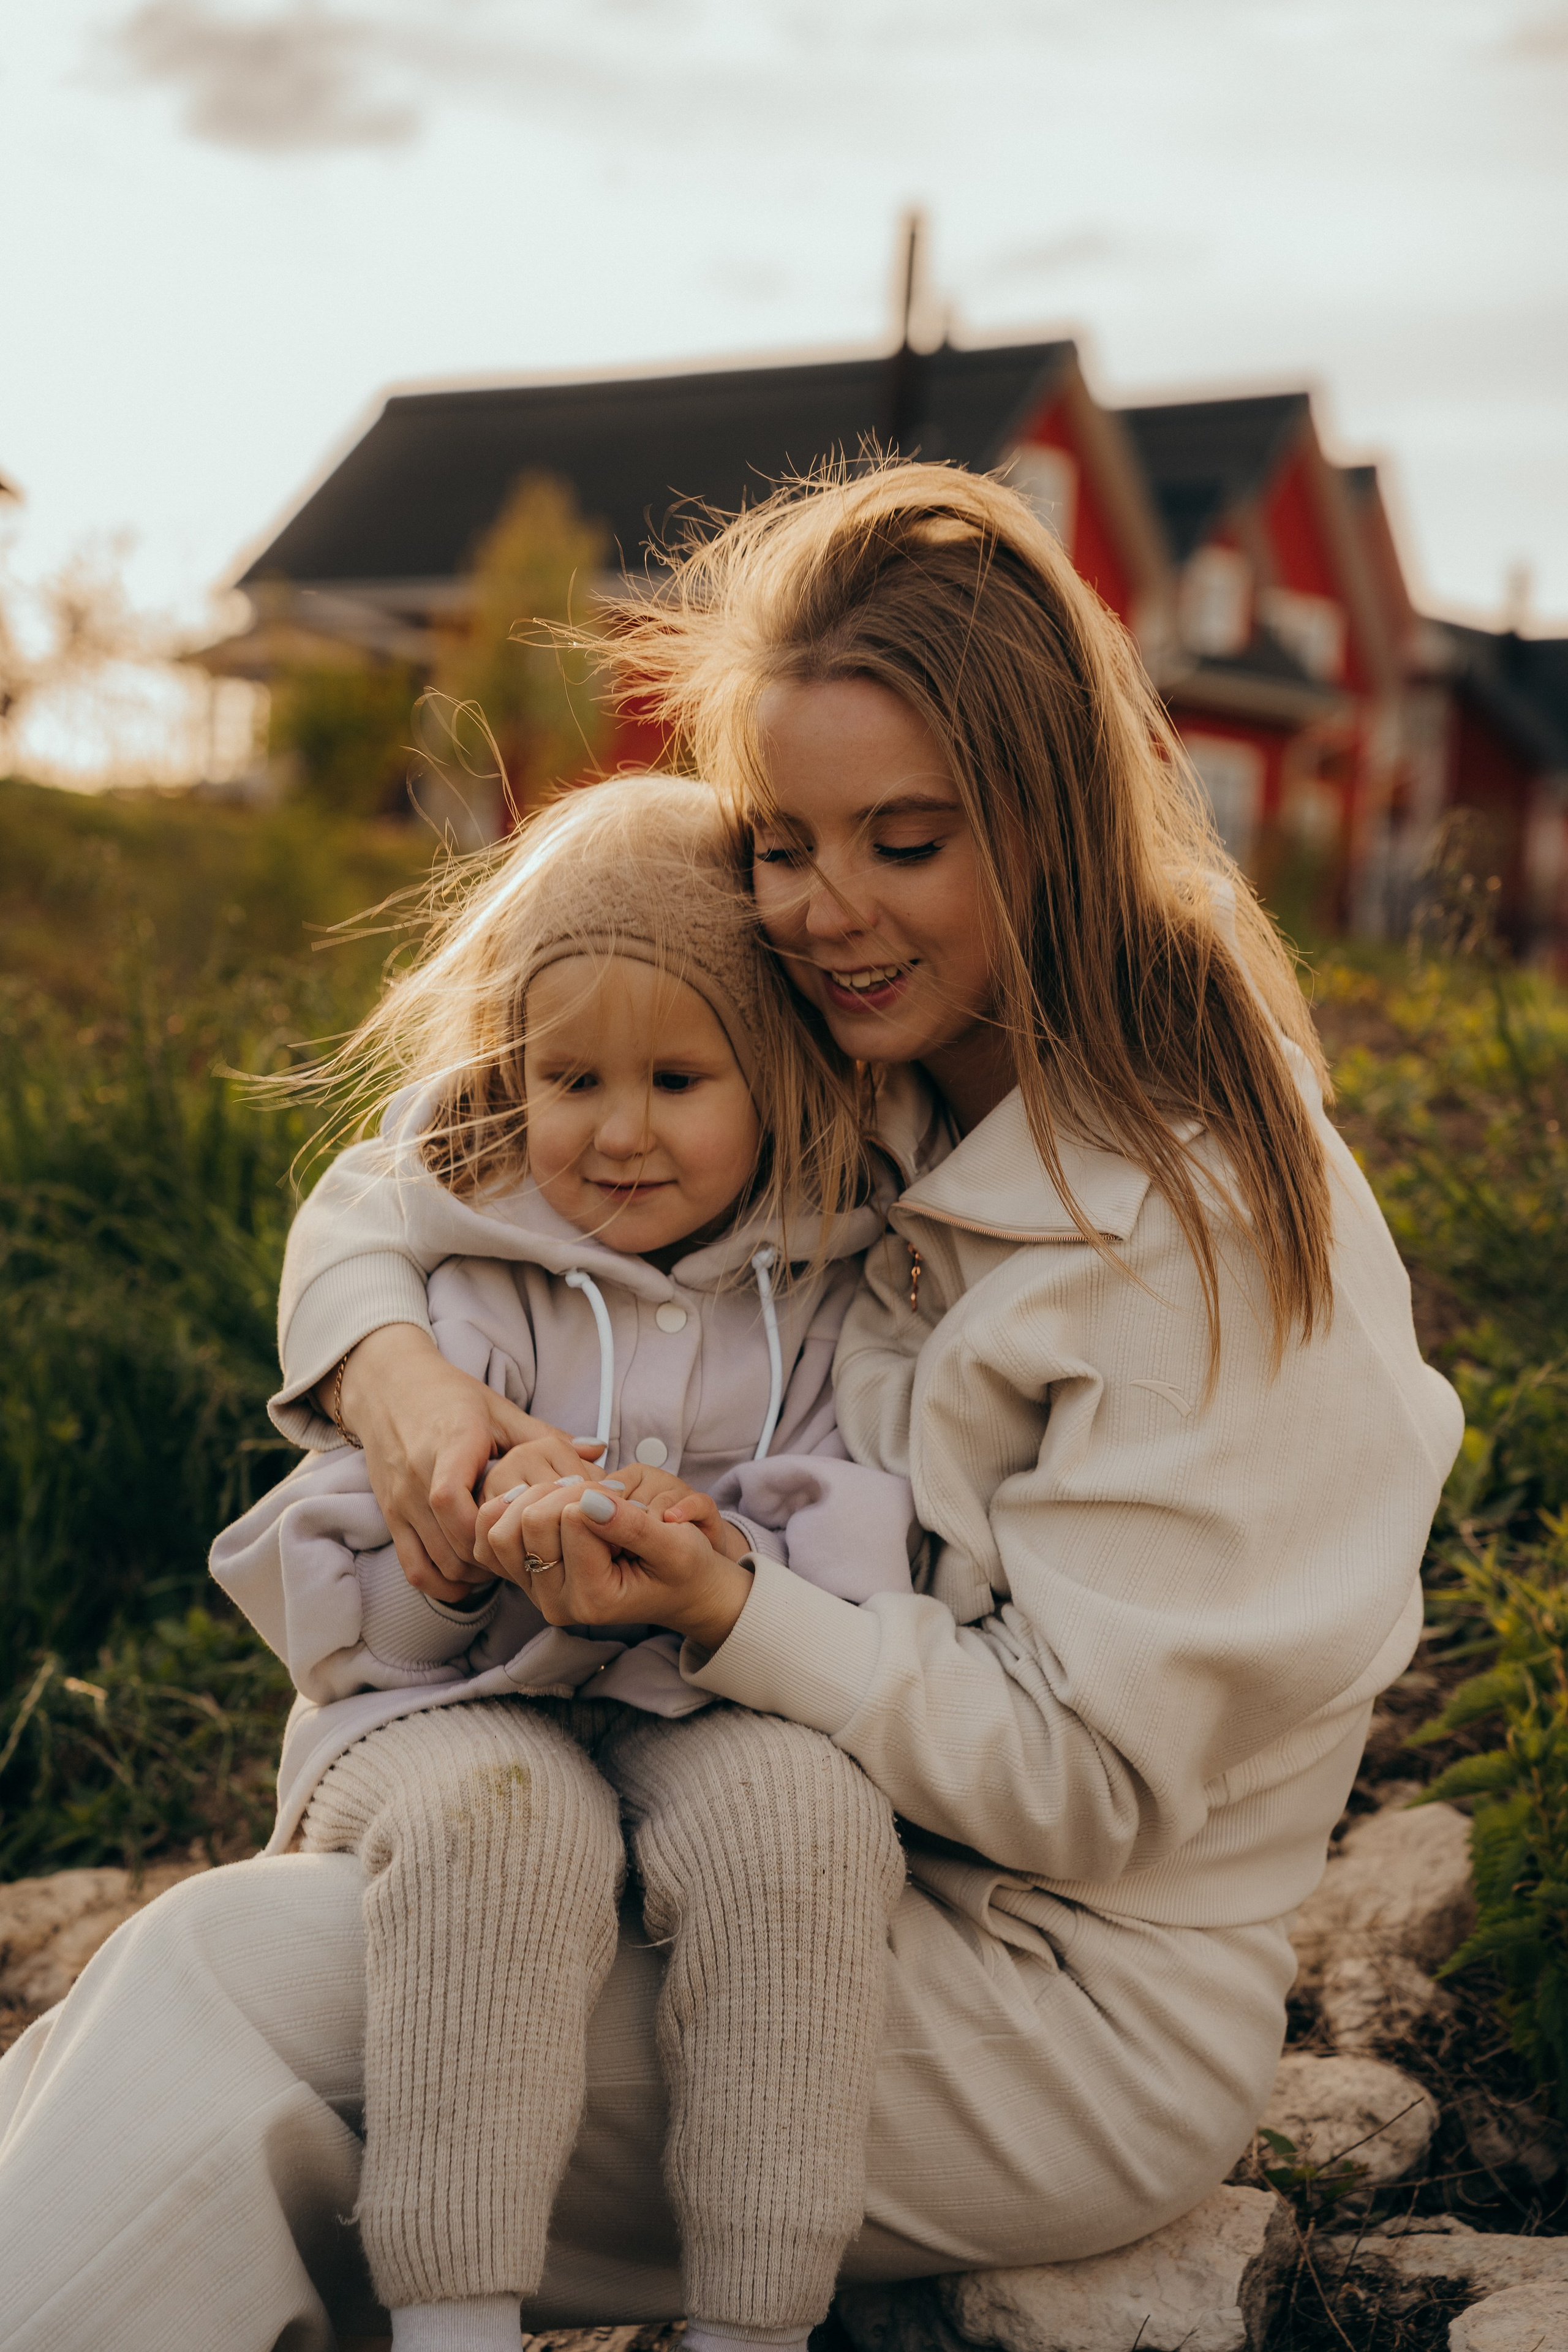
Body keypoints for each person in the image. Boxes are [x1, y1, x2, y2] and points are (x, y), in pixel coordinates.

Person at [0, 461, 1463, 2352]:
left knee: (235, 2004)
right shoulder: (884, 1046)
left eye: (906, 842)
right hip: (735, 1841)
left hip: (1054, 2006)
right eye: (783, 842)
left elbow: (1088, 1787)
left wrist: (733, 1610)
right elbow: (421, 1165)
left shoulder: (1210, 1227)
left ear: (1055, 826)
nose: (825, 911)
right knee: (177, 2020)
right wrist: (402, 1376)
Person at [208, 774, 913, 2352]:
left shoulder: (828, 1290)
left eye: (678, 1078)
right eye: (571, 1077)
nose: (619, 1129)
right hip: (440, 1714)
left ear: (775, 1075)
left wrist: (722, 1557)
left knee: (807, 1826)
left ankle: (758, 2317)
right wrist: (459, 1561)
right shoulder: (470, 1274)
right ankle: (452, 2315)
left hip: (701, 1702)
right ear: (511, 1073)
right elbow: (366, 1646)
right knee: (505, 1828)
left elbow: (856, 1563)